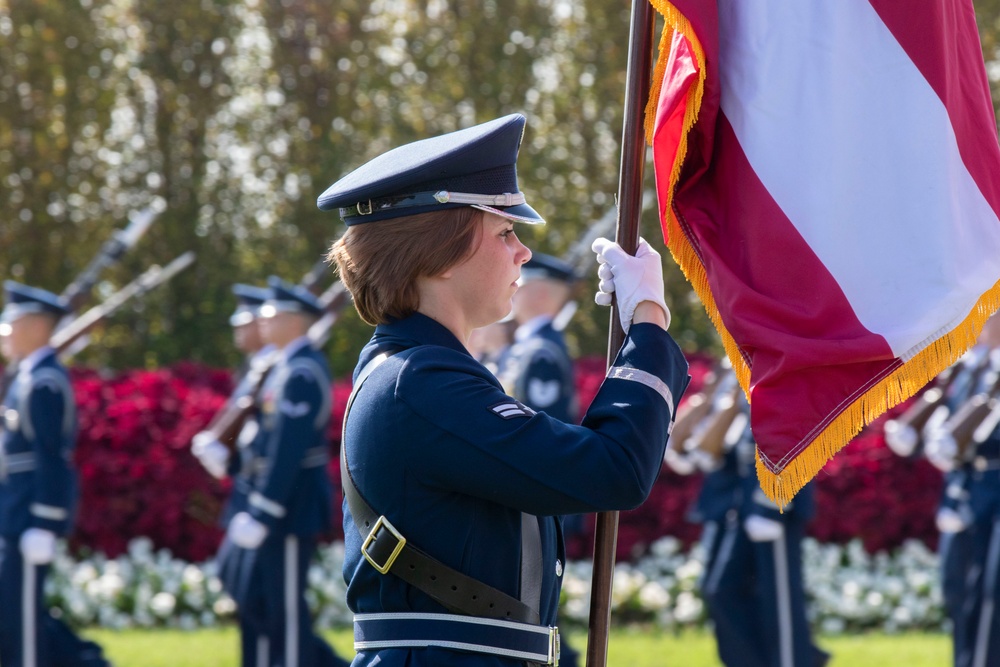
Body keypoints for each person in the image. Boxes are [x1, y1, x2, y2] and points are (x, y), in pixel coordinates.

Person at [319, 112, 689, 666]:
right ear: (438, 253)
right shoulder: (420, 383)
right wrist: (650, 322)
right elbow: (614, 470)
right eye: (505, 231)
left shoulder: (422, 373)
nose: (523, 252)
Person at [221, 276, 348, 667]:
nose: (262, 324)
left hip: (291, 507)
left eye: (270, 317)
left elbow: (287, 450)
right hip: (274, 503)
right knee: (257, 601)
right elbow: (262, 442)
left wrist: (264, 510)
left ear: (293, 321)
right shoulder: (283, 367)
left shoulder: (302, 372)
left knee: (285, 611)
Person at [679, 369, 828, 667]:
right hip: (744, 505)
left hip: (773, 504)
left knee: (781, 602)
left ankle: (795, 660)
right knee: (725, 590)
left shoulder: (780, 362)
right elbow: (704, 449)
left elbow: (789, 431)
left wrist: (769, 504)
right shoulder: (742, 368)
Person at [0, 281, 111, 667]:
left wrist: (44, 522)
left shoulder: (43, 381)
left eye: (11, 324)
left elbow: (51, 457)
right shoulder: (27, 376)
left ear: (33, 326)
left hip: (29, 515)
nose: (6, 334)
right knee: (12, 617)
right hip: (14, 513)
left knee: (24, 622)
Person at [496, 252, 582, 667]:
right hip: (524, 492)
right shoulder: (527, 347)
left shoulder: (542, 351)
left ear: (543, 293)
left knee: (539, 610)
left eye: (523, 284)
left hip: (533, 493)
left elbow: (542, 428)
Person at [924, 312, 1000, 667]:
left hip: (993, 489)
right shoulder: (972, 367)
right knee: (957, 588)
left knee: (989, 594)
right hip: (966, 489)